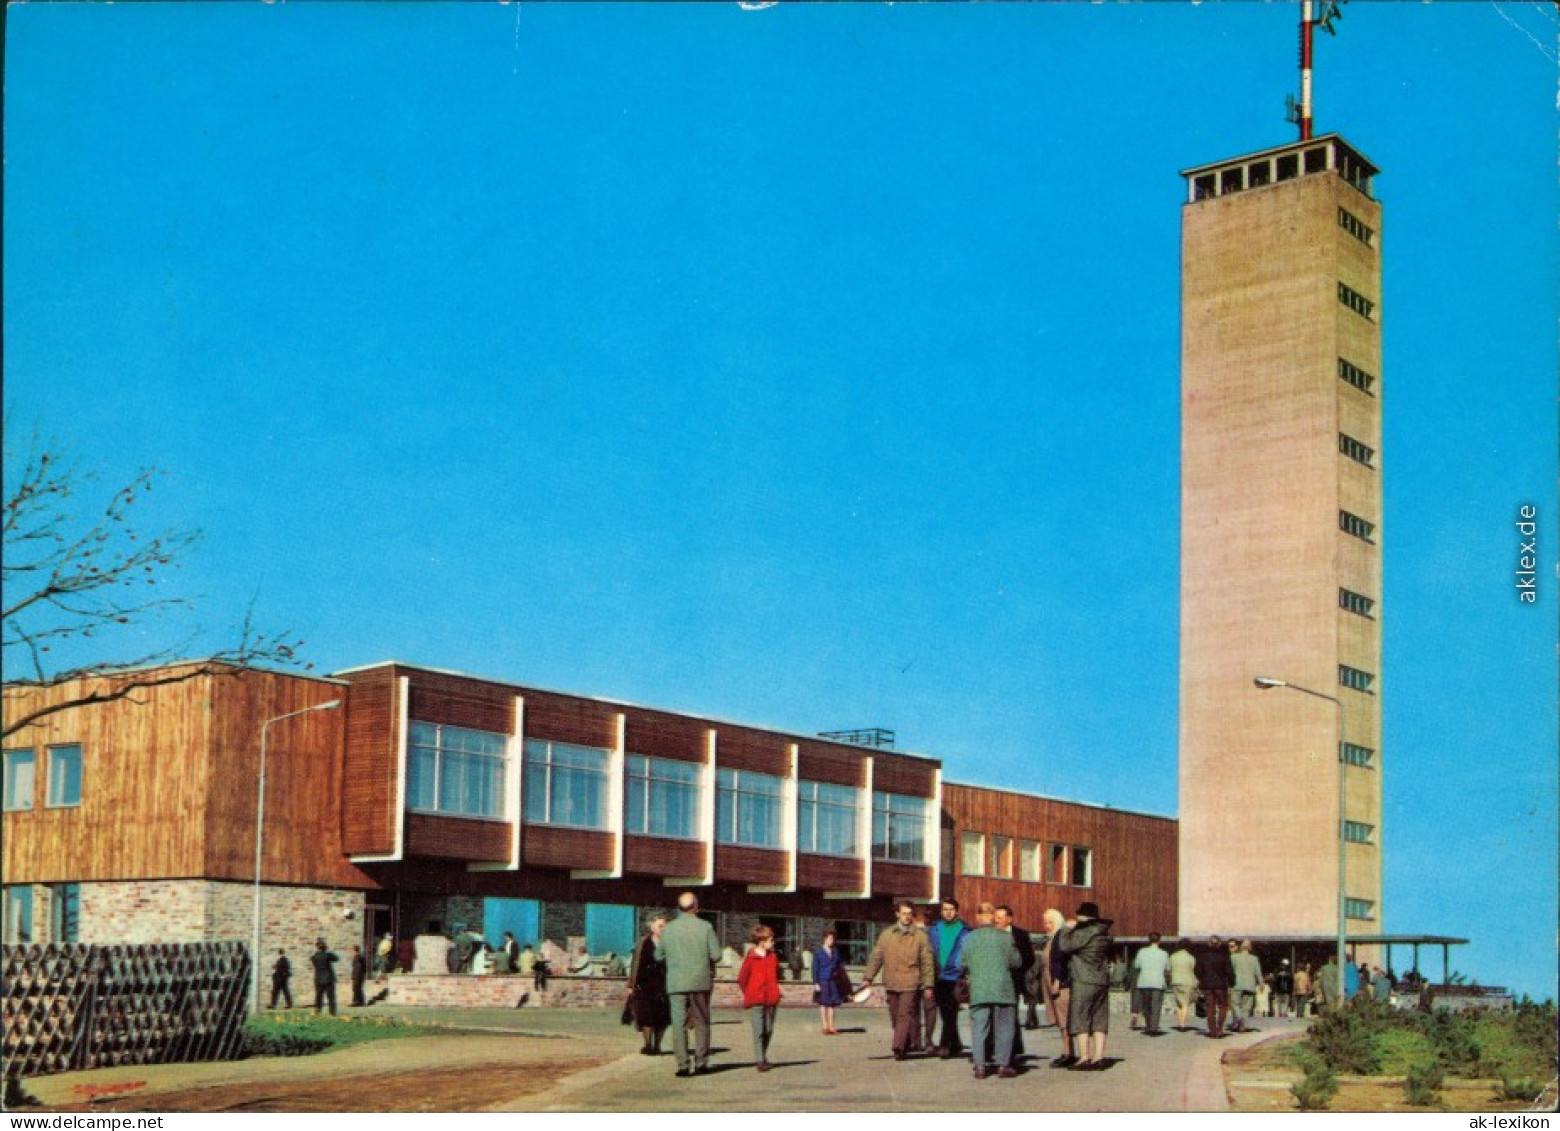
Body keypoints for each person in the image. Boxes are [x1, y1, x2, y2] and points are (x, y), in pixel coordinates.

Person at [655, 892, 722, 1078]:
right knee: (702, 1022)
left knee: (678, 1024)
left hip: (676, 982)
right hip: (700, 981)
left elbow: (658, 955)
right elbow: (717, 955)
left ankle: (683, 1065)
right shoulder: (706, 927)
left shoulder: (669, 929)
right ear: (696, 906)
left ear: (679, 908)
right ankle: (701, 1062)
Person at [859, 899, 935, 1061]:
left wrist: (929, 984)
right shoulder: (887, 935)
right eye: (904, 913)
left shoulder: (920, 937)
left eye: (910, 914)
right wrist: (868, 977)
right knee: (895, 1016)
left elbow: (927, 962)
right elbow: (876, 957)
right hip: (891, 982)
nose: (907, 917)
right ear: (897, 914)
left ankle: (898, 1047)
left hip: (910, 982)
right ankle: (905, 1042)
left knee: (904, 1015)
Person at [960, 903, 1022, 1079]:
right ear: (994, 917)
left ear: (978, 918)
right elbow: (1016, 962)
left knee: (979, 1028)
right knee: (1004, 1028)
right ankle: (1003, 1065)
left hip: (979, 989)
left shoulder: (969, 938)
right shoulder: (1006, 938)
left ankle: (980, 1066)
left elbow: (961, 964)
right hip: (1003, 989)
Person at [1055, 901, 1113, 1070]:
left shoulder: (1084, 931)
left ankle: (1084, 1058)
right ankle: (1099, 1058)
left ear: (1084, 916)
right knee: (1099, 1019)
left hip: (1083, 980)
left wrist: (1066, 929)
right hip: (1101, 980)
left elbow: (1065, 946)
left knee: (1080, 1018)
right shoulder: (1103, 932)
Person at [926, 898, 970, 1058]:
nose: (948, 912)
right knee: (946, 1012)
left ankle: (944, 1044)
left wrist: (964, 972)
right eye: (945, 909)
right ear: (941, 911)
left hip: (955, 976)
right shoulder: (934, 929)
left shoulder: (965, 930)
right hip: (938, 975)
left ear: (957, 911)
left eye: (951, 909)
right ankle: (956, 1043)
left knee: (951, 1010)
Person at [992, 905, 1034, 1065]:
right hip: (994, 981)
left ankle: (1014, 1050)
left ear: (1009, 919)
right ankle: (995, 1050)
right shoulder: (992, 933)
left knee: (1011, 1017)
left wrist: (1017, 970)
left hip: (1013, 981)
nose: (997, 920)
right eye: (996, 917)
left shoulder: (1020, 935)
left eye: (1000, 918)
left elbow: (1029, 958)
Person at [738, 924, 782, 1071]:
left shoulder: (773, 957)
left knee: (768, 1029)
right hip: (756, 998)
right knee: (758, 1030)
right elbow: (742, 979)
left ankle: (762, 1055)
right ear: (762, 941)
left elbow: (777, 976)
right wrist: (750, 992)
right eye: (771, 939)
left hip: (771, 998)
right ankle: (759, 1060)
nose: (773, 942)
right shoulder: (751, 958)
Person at [628, 915, 671, 1055]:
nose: (663, 929)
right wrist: (631, 984)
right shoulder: (642, 944)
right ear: (652, 927)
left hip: (663, 984)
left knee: (662, 1016)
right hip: (644, 985)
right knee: (645, 1015)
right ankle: (647, 1044)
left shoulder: (670, 944)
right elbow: (635, 964)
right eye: (660, 926)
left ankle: (657, 1045)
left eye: (665, 925)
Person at [1038, 908, 1075, 1067]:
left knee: (1063, 1019)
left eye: (1050, 922)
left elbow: (1060, 962)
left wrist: (1057, 982)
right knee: (1060, 1019)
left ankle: (1068, 1052)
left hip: (1058, 984)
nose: (1047, 925)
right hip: (1049, 981)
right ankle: (1067, 1050)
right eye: (1045, 922)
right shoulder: (1051, 939)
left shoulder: (1060, 938)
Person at [1194, 936, 1234, 1037]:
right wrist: (1231, 984)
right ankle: (1219, 1027)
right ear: (1219, 944)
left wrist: (1202, 979)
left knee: (1210, 1007)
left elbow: (1197, 971)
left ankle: (1212, 1030)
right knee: (1223, 1006)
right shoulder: (1224, 956)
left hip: (1207, 985)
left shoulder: (1202, 957)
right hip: (1221, 985)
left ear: (1209, 944)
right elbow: (1229, 972)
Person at [1131, 933, 1170, 1035]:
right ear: (1159, 940)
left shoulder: (1142, 952)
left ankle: (1148, 1025)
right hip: (1158, 982)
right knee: (1156, 1005)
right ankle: (1154, 1027)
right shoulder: (1164, 953)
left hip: (1144, 981)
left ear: (1149, 940)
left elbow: (1136, 965)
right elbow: (1167, 968)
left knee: (1146, 1005)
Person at [812, 929, 849, 1035]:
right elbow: (815, 969)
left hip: (833, 981)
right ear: (824, 939)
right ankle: (825, 1027)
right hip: (822, 980)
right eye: (829, 938)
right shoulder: (818, 953)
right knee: (823, 1004)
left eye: (832, 938)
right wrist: (816, 983)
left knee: (832, 1004)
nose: (831, 940)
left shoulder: (836, 952)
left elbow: (840, 966)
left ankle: (832, 1027)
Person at [1230, 940, 1263, 1032]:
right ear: (1250, 948)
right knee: (1247, 1007)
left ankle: (1239, 1017)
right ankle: (1242, 1026)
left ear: (1241, 947)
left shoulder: (1234, 957)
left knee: (1234, 1003)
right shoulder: (1254, 958)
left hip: (1237, 984)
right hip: (1250, 985)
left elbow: (1230, 972)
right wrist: (1261, 983)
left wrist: (1229, 984)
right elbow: (1258, 972)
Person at [1168, 938, 1198, 1031]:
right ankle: (1183, 1025)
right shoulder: (1191, 958)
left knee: (1179, 1004)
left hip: (1175, 981)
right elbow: (1193, 971)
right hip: (1187, 982)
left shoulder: (1172, 956)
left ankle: (1180, 1023)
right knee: (1185, 1004)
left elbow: (1169, 970)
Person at [310, 937, 339, 1016]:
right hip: (328, 979)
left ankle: (317, 1011)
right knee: (331, 997)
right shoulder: (328, 955)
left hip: (318, 979)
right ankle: (332, 1012)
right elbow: (336, 958)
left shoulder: (314, 957)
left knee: (318, 997)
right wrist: (327, 950)